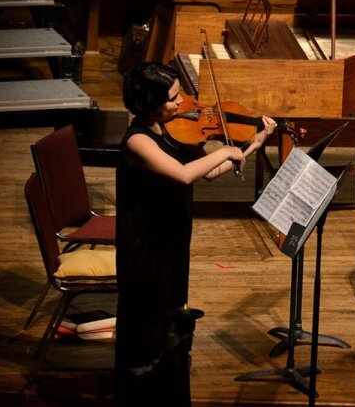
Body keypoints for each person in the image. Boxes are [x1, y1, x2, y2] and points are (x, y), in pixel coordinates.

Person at [115, 62, 276, 406]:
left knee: (172, 320)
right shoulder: (138, 141)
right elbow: (184, 174)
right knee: (148, 323)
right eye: (173, 98)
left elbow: (211, 172)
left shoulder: (171, 128)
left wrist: (254, 144)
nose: (182, 102)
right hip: (146, 247)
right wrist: (227, 150)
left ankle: (169, 393)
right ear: (152, 104)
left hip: (172, 239)